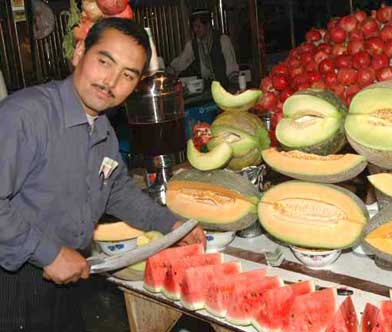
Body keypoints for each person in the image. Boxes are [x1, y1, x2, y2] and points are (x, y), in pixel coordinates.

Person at [0, 17, 205, 332]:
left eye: (127, 75)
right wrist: (47, 252)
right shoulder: (25, 116)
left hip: (67, 278)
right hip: (14, 281)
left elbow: (118, 191)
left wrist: (172, 225)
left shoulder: (103, 130)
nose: (110, 82)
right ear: (80, 52)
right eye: (104, 62)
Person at [169, 9, 239, 90]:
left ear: (208, 25)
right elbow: (182, 62)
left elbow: (232, 68)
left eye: (198, 26)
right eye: (194, 27)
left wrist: (235, 84)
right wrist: (170, 70)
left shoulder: (223, 40)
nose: (195, 30)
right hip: (205, 90)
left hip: (224, 89)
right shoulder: (193, 45)